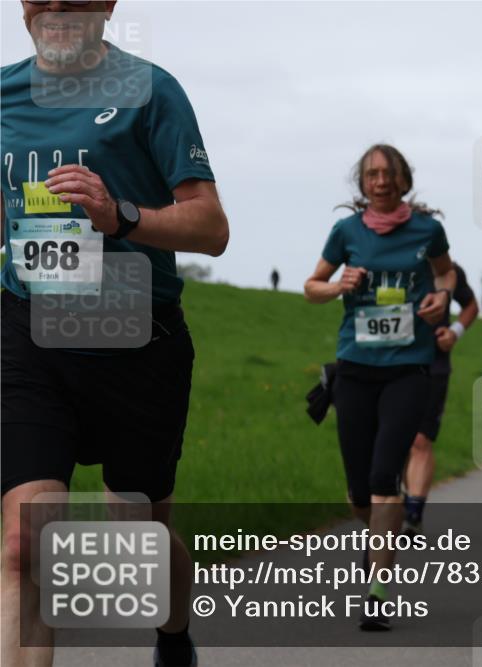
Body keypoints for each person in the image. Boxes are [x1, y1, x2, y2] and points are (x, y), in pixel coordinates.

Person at [1, 3, 229, 666]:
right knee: (24, 542)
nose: (53, 7)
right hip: (30, 333)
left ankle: (172, 633)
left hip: (138, 336)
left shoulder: (152, 90)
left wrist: (119, 214)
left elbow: (210, 227)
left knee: (142, 537)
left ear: (106, 4)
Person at [304, 144, 455, 631]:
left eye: (389, 174)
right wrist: (339, 286)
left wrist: (441, 296)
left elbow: (446, 272)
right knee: (358, 491)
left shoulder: (427, 230)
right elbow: (312, 286)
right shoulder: (346, 232)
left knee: (384, 475)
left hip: (410, 367)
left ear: (403, 179)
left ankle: (377, 589)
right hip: (355, 367)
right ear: (362, 182)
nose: (381, 181)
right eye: (372, 174)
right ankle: (377, 546)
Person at [402, 262, 479, 536]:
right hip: (388, 364)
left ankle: (413, 514)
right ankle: (397, 497)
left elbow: (471, 306)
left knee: (420, 440)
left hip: (433, 364)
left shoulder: (449, 270)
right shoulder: (386, 263)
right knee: (394, 441)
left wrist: (454, 332)